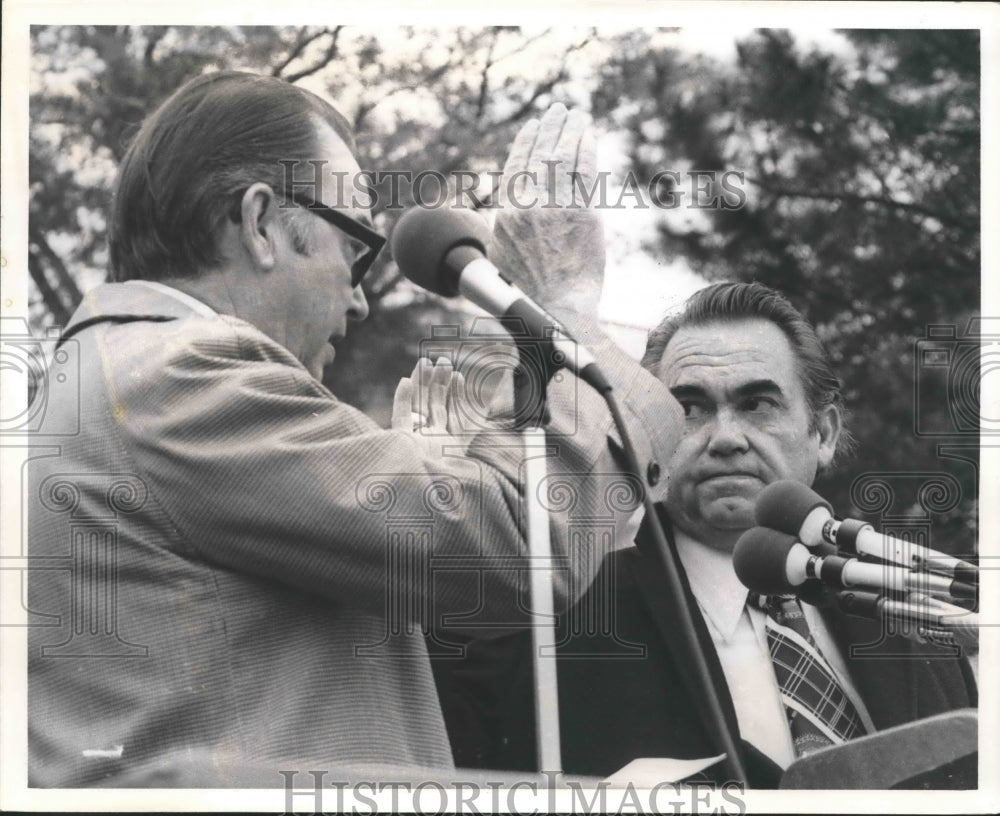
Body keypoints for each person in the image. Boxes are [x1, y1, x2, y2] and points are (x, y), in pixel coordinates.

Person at [26, 71, 682, 787]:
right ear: (260, 224)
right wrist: (566, 308)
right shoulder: (177, 374)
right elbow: (519, 544)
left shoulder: (106, 378)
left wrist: (426, 477)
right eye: (356, 246)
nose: (363, 299)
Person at [436, 282, 977, 787]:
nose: (725, 438)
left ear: (825, 434)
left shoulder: (918, 619)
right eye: (688, 408)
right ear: (649, 432)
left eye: (757, 404)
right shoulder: (549, 625)